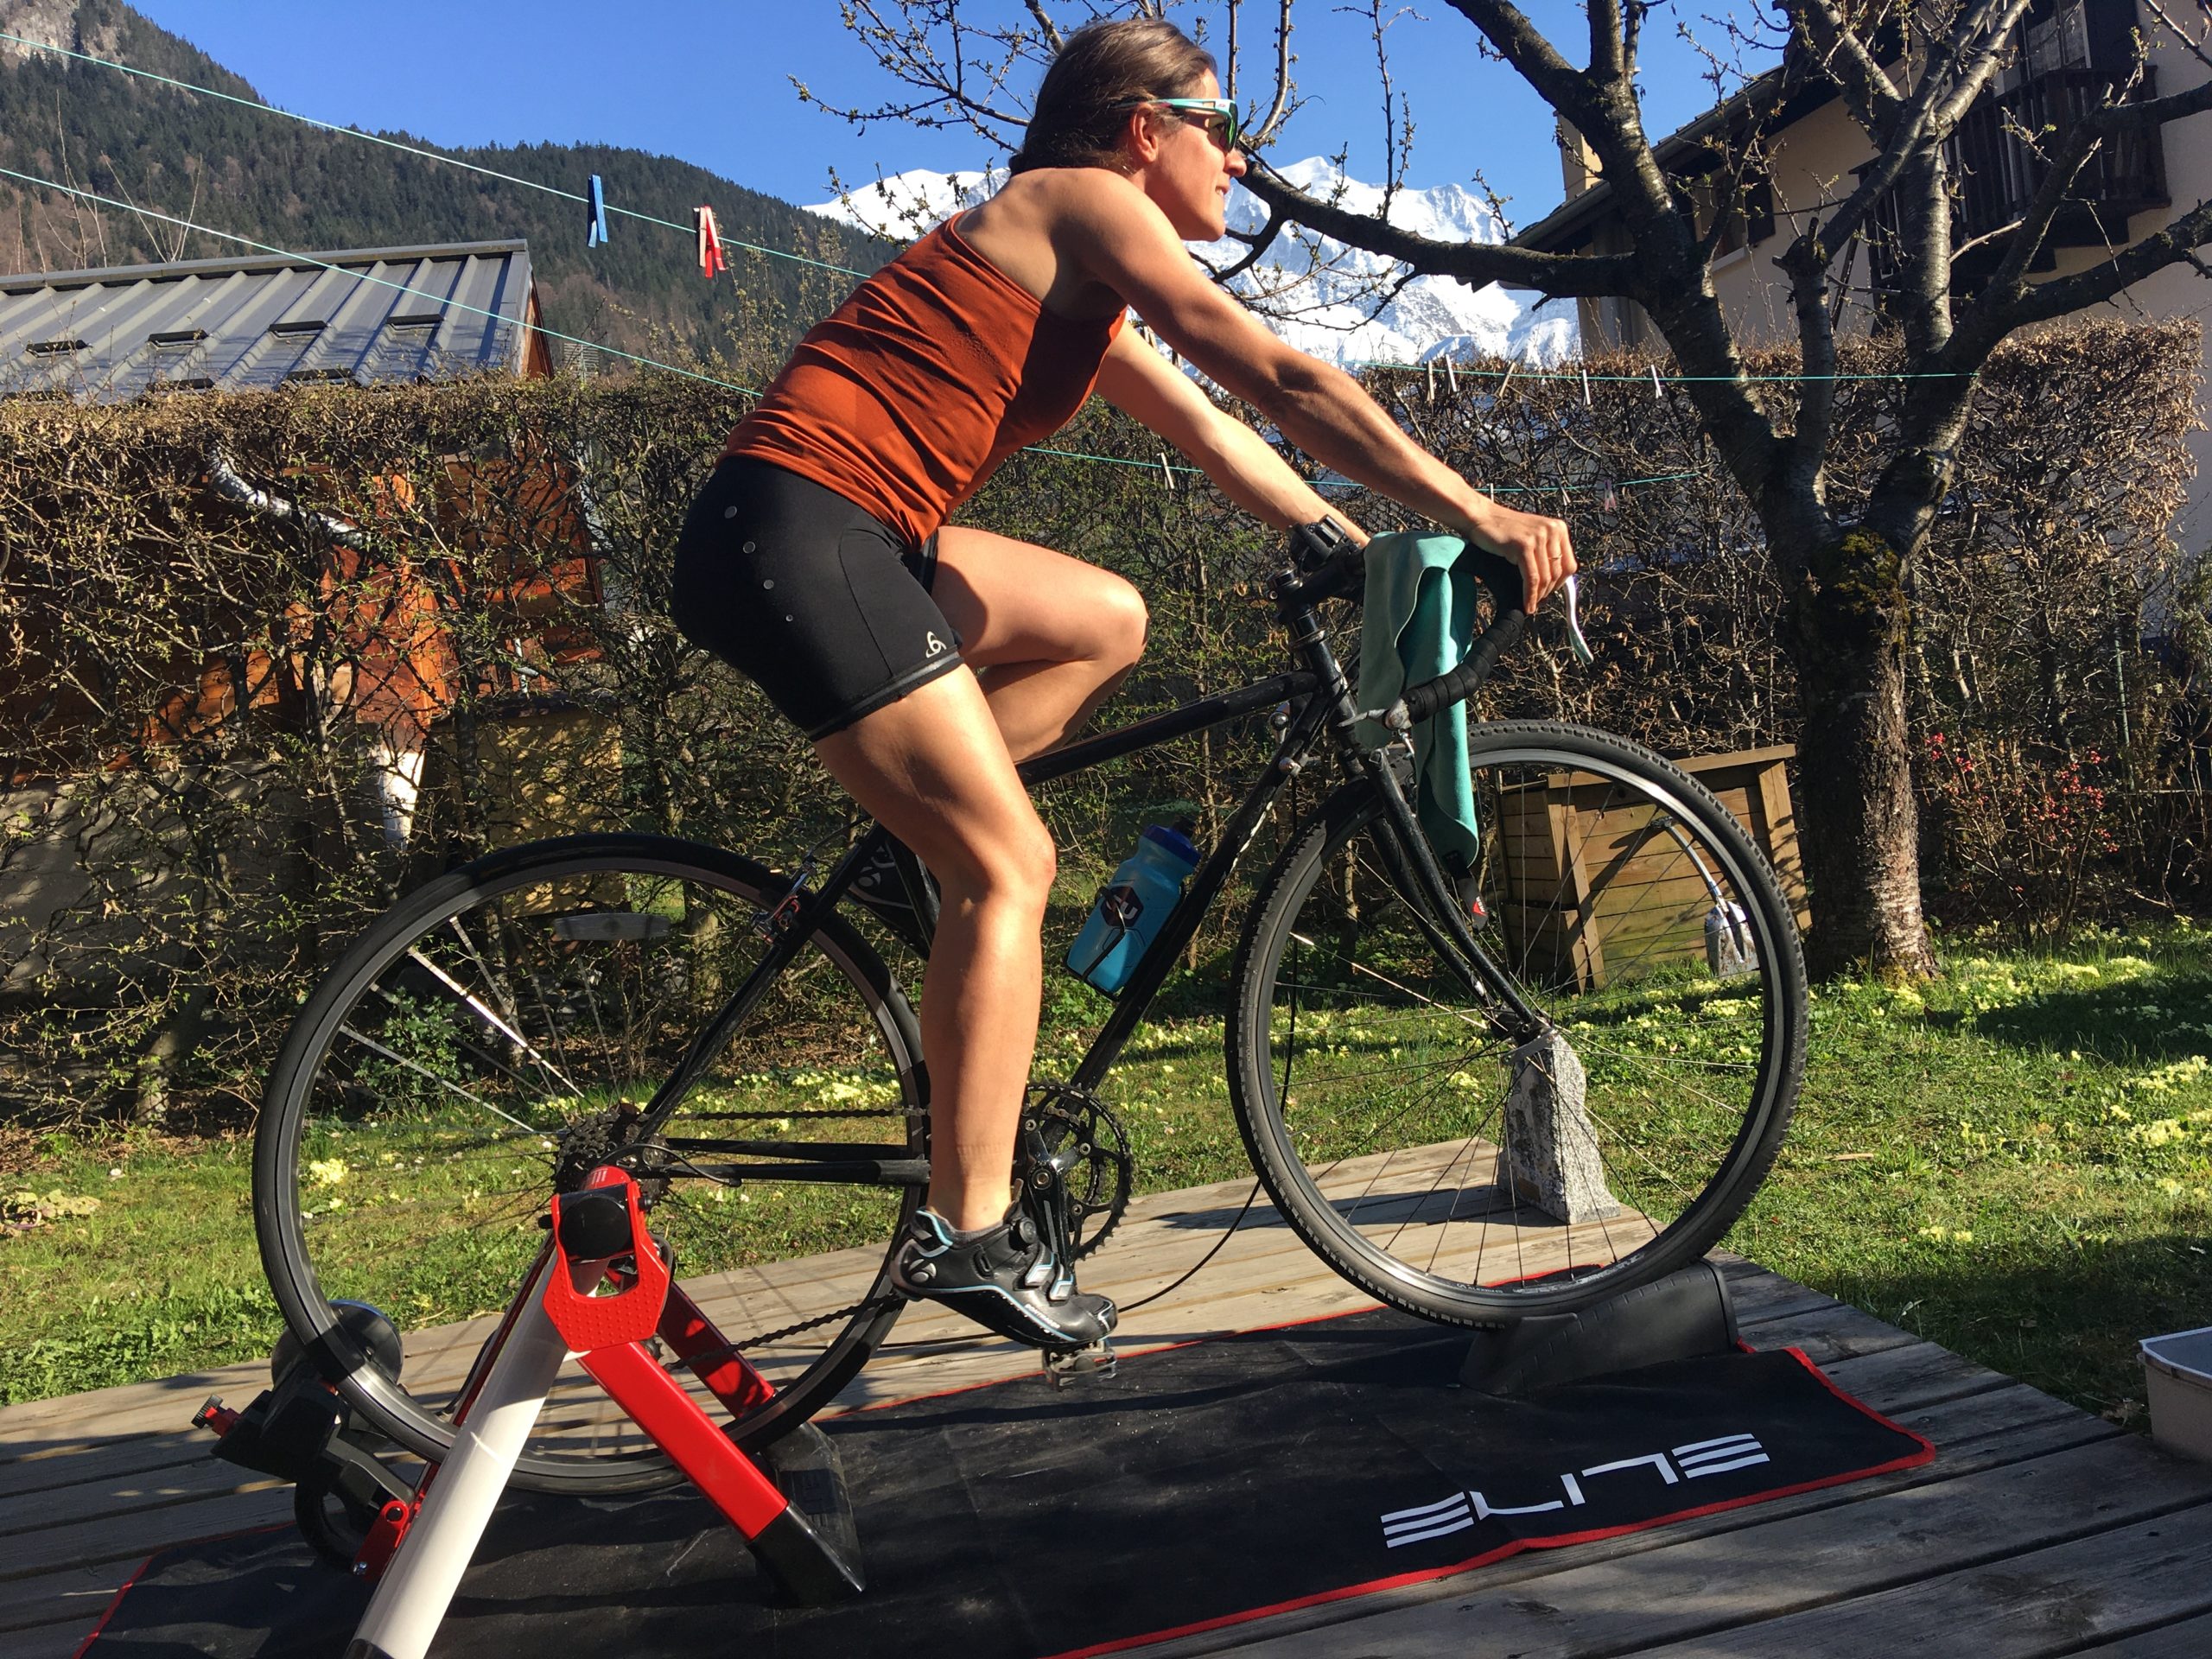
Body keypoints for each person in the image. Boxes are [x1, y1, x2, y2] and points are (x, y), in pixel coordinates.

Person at [671, 16, 1575, 1351]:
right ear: (1145, 129)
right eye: (1228, 134)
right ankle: (966, 1232)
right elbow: (1275, 373)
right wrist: (1477, 505)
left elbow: (1222, 435)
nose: (1243, 171)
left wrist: (1361, 551)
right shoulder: (1084, 203)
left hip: (847, 536)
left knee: (1107, 616)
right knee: (1013, 870)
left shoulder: (1073, 290)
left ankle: (892, 849)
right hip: (797, 530)